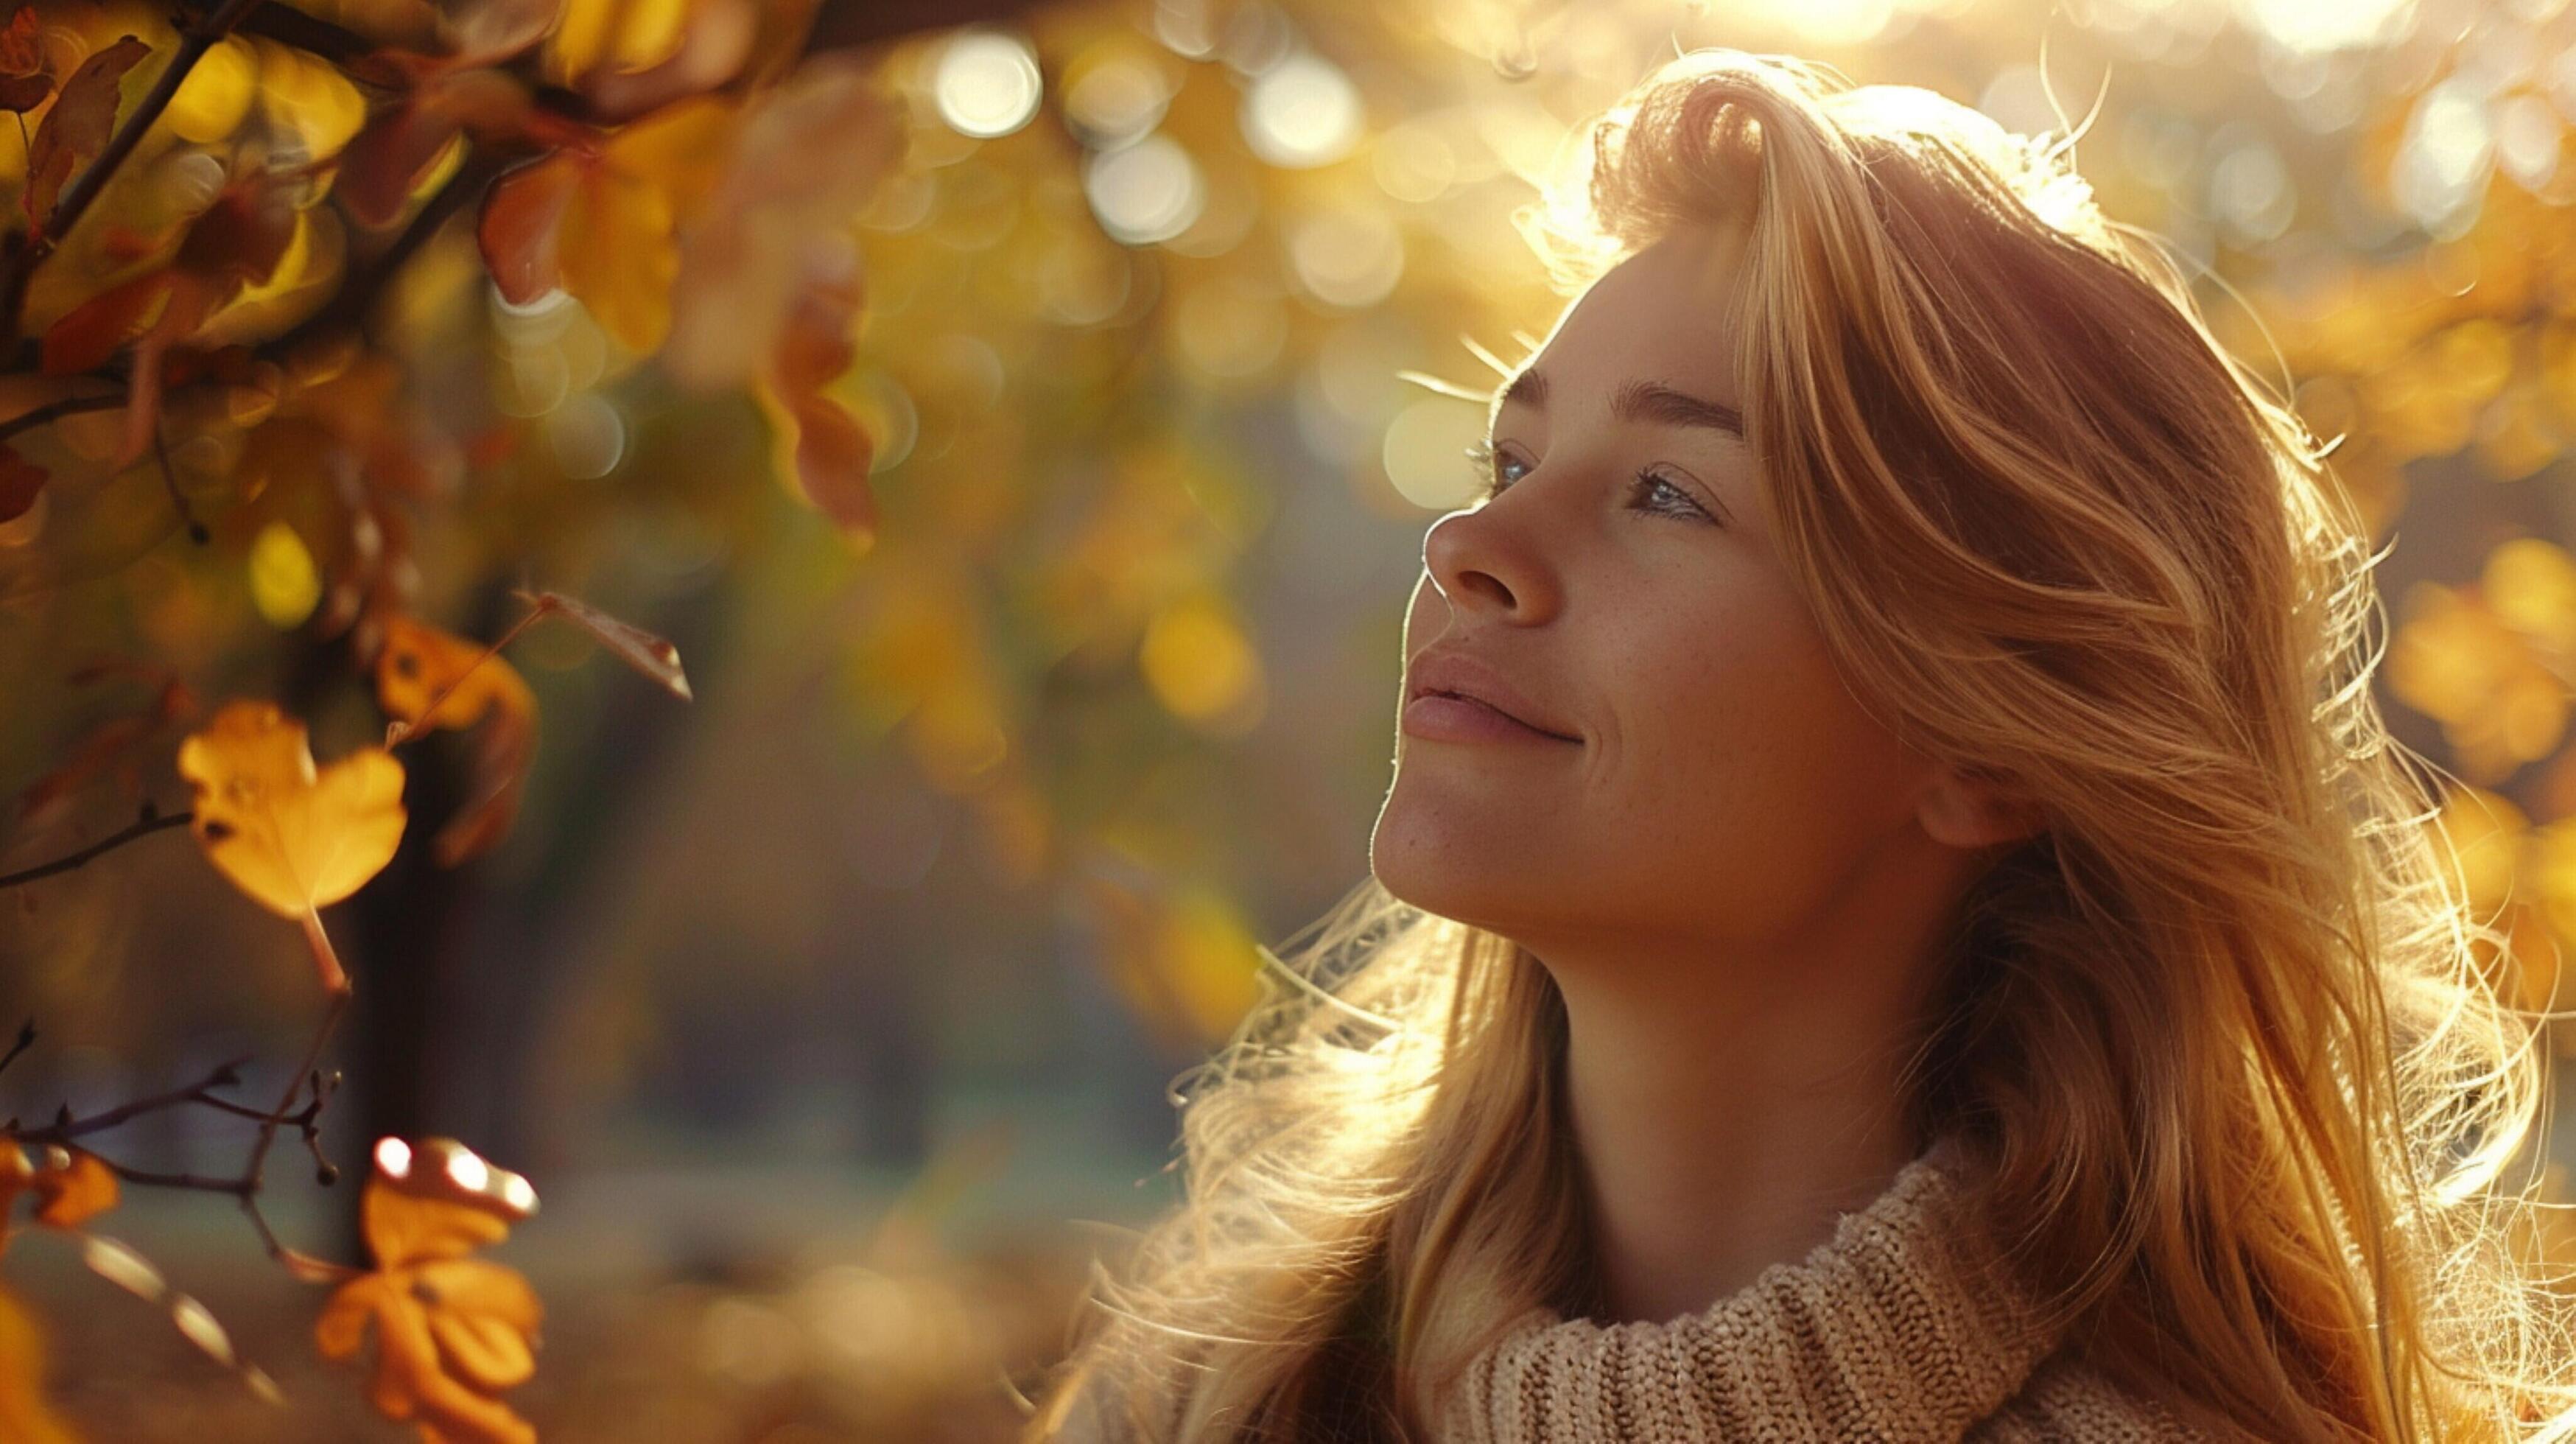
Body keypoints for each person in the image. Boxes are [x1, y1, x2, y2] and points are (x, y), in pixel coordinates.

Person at [1019, 45, 2576, 1443]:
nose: (1473, 538)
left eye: (1670, 493)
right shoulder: (1204, 1393)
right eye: (1511, 453)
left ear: (1990, 752)